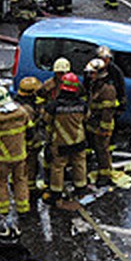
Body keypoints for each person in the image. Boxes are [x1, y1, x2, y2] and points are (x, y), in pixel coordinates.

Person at [0, 87, 33, 214]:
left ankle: (2, 209)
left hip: (2, 158)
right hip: (20, 155)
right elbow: (30, 129)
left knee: (0, 182)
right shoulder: (22, 112)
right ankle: (23, 208)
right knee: (20, 181)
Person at [46, 71, 88, 205]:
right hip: (78, 141)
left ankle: (56, 192)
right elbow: (86, 118)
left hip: (60, 142)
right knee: (79, 164)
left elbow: (46, 119)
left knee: (58, 167)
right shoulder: (82, 105)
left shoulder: (54, 106)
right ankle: (81, 188)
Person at [85, 57, 118, 184]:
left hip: (102, 125)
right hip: (94, 124)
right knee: (97, 149)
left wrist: (104, 129)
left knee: (102, 151)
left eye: (92, 73)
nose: (90, 75)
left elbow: (107, 112)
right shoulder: (95, 86)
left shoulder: (107, 90)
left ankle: (105, 176)